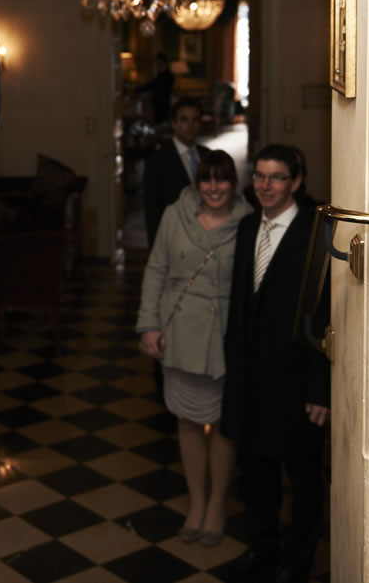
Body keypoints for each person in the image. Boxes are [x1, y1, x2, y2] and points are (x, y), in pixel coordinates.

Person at [222, 144, 330, 583]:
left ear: (296, 181)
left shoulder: (316, 232)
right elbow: (240, 306)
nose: (265, 186)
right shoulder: (248, 226)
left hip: (296, 378)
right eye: (260, 177)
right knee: (256, 473)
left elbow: (325, 314)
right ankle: (261, 549)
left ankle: (297, 561)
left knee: (302, 477)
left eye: (277, 177)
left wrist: (320, 388)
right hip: (250, 377)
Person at [136, 150, 251, 547]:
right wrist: (149, 324)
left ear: (234, 184)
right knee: (187, 421)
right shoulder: (175, 214)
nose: (214, 188)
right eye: (207, 179)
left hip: (223, 336)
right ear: (197, 183)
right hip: (180, 330)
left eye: (222, 180)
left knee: (221, 424)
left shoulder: (249, 221)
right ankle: (196, 504)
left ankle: (217, 506)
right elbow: (156, 270)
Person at [143, 97, 211, 246]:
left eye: (195, 120)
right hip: (174, 237)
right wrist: (155, 246)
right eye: (184, 119)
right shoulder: (158, 159)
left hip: (206, 236)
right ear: (174, 124)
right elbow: (153, 209)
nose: (190, 125)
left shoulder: (208, 155)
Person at [136, 51, 175, 124]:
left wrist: (137, 89)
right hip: (160, 103)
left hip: (162, 103)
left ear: (161, 61)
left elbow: (152, 85)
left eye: (157, 60)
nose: (156, 63)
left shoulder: (166, 75)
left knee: (161, 122)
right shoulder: (162, 74)